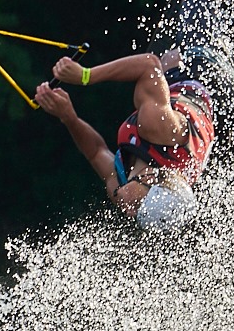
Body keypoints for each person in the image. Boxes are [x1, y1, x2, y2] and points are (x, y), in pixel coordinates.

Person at [35, 47, 215, 230]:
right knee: (170, 50)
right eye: (137, 205)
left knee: (164, 55)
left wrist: (68, 117)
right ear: (151, 179)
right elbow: (149, 65)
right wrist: (85, 76)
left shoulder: (122, 187)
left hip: (173, 92)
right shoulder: (162, 131)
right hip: (204, 75)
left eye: (136, 214)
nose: (128, 212)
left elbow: (96, 152)